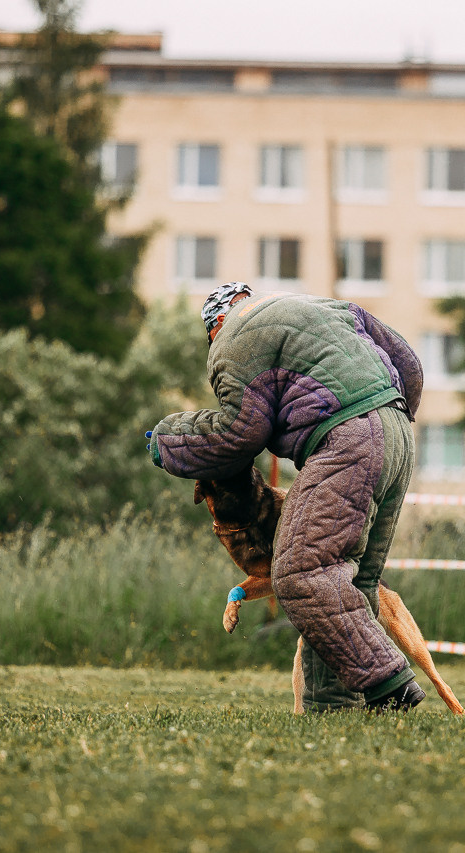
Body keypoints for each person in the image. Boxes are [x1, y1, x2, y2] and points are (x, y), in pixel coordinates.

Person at [147, 282, 426, 713]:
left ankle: (390, 684)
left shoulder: (230, 339)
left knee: (298, 572)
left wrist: (169, 440)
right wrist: (388, 419)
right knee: (351, 581)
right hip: (398, 434)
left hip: (348, 439)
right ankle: (331, 705)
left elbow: (238, 432)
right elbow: (409, 365)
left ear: (213, 325)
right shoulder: (317, 305)